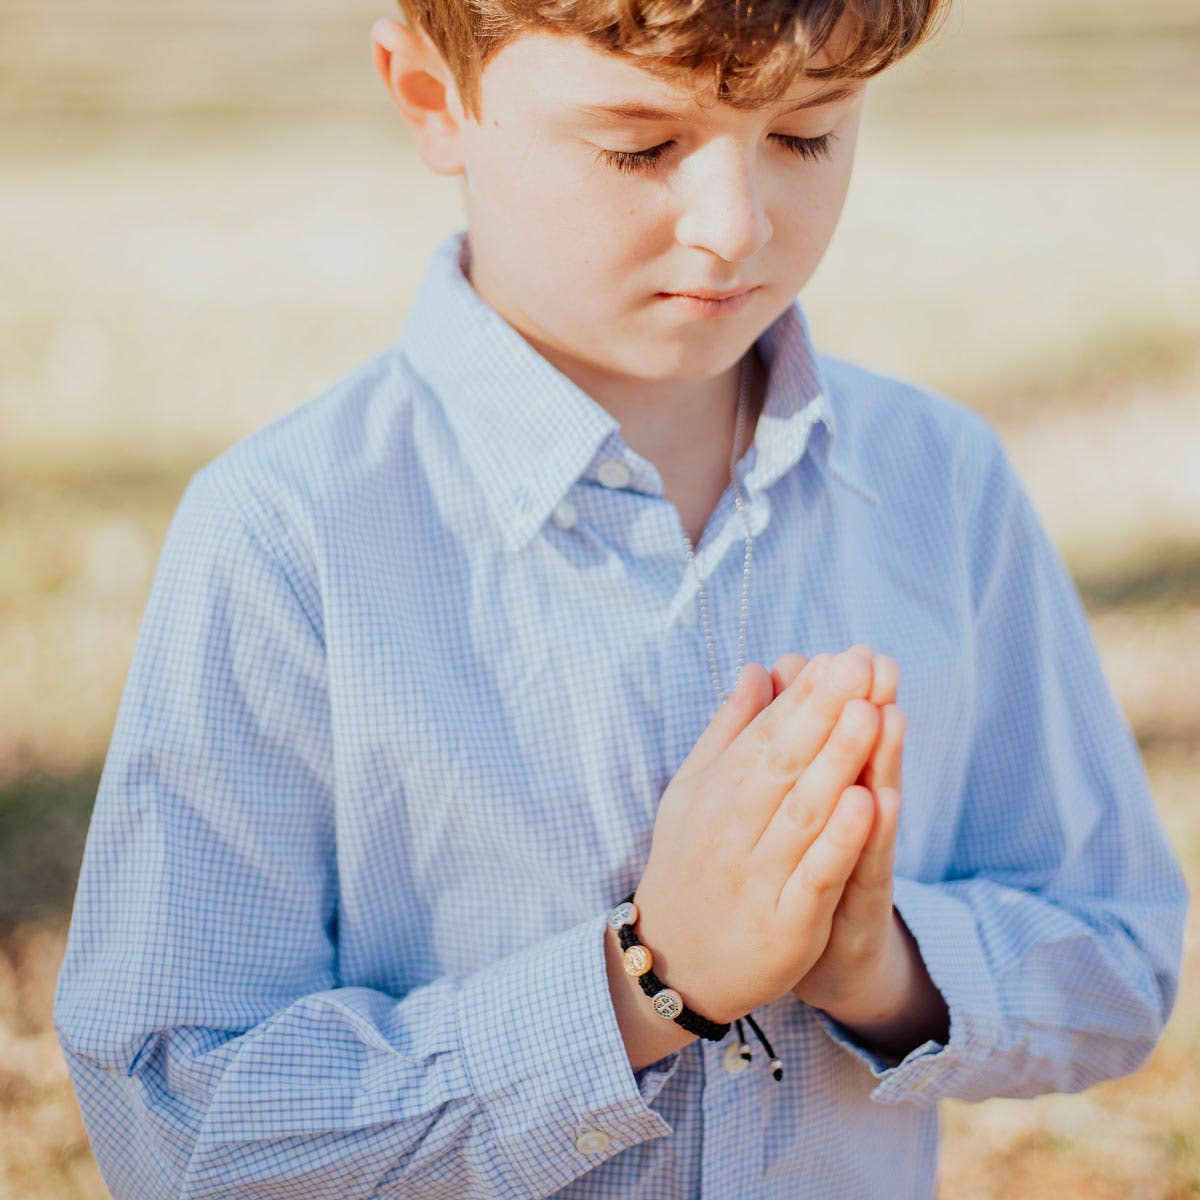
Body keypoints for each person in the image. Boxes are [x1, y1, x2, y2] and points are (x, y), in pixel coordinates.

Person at [53, 1, 1189, 1197]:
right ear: (435, 97)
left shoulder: (941, 486)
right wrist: (650, 981)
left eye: (806, 135)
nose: (733, 226)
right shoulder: (290, 537)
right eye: (641, 147)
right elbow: (177, 1125)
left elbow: (1116, 953)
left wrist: (881, 968)